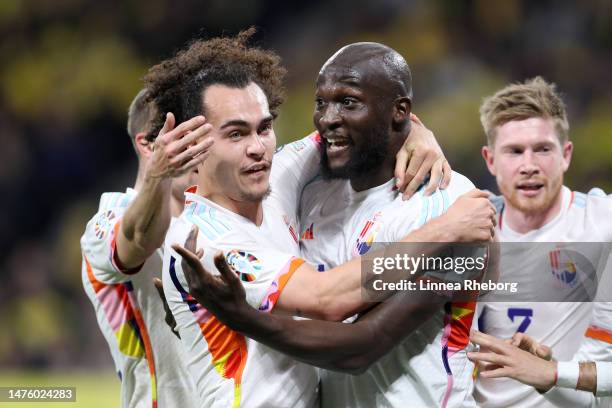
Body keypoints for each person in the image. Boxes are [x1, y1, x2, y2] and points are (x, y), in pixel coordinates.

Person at [169, 41, 497, 408]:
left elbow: (355, 129)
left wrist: (415, 129)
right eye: (235, 134)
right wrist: (445, 230)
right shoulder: (205, 241)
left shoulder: (438, 200)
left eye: (263, 128)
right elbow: (330, 305)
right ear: (193, 143)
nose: (258, 147)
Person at [472, 76, 612, 407]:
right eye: (514, 151)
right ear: (490, 160)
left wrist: (551, 372)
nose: (529, 166)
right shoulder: (470, 229)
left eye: (543, 149)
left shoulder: (601, 223)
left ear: (565, 155)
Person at [80, 89, 212, 407]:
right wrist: (159, 175)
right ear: (148, 144)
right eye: (183, 136)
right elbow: (139, 240)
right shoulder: (106, 223)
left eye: (202, 135)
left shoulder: (213, 222)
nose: (198, 150)